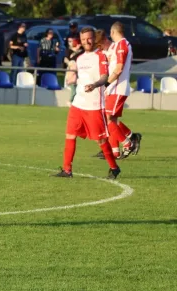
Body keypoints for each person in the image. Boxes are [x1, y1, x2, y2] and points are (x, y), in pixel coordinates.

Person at [52, 27, 121, 180]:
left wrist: (95, 85)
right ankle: (67, 170)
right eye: (83, 40)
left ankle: (114, 167)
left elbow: (105, 77)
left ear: (94, 39)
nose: (86, 42)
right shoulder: (80, 58)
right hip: (78, 104)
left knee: (100, 140)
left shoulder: (101, 56)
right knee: (70, 135)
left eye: (89, 38)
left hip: (94, 105)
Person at [104, 22, 141, 159]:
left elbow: (119, 68)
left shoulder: (122, 45)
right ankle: (116, 151)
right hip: (115, 88)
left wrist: (106, 84)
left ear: (113, 32)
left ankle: (128, 143)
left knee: (108, 119)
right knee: (111, 119)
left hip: (118, 87)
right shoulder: (117, 45)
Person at [64, 38, 82, 103]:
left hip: (79, 71)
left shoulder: (81, 51)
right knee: (73, 85)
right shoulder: (69, 51)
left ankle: (73, 101)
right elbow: (65, 59)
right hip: (72, 71)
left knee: (77, 87)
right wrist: (70, 63)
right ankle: (71, 100)